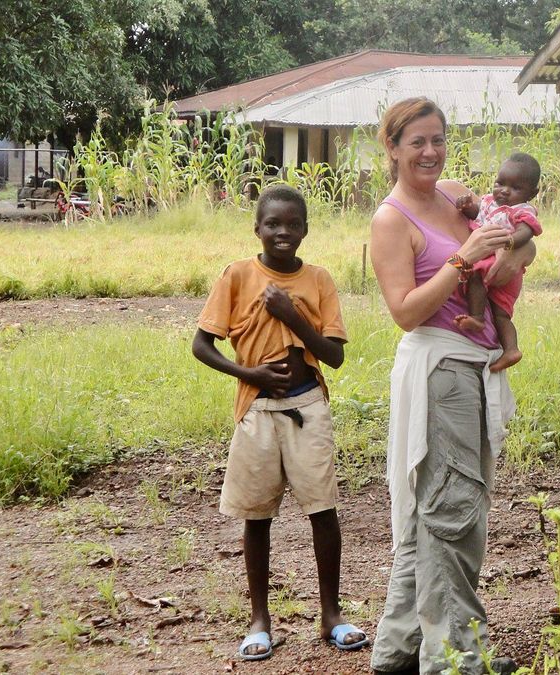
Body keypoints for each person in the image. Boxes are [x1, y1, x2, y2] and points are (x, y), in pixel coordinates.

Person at [369, 97, 530, 675]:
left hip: (473, 362)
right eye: (417, 142)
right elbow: (406, 312)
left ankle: (398, 649)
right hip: (441, 370)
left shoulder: (456, 194)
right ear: (391, 147)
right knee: (452, 510)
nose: (431, 152)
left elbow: (511, 242)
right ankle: (456, 658)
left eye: (437, 139)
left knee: (427, 512)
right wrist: (462, 260)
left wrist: (511, 249)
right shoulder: (391, 220)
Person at [190, 184, 366, 661]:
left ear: (305, 230)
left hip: (308, 406)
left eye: (292, 224)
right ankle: (260, 620)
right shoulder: (237, 275)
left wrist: (292, 315)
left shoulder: (319, 280)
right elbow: (202, 346)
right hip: (258, 410)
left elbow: (333, 356)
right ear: (257, 229)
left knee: (322, 510)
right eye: (273, 224)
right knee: (257, 516)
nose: (283, 232)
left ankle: (331, 614)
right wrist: (249, 373)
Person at [454, 152, 544, 372]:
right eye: (500, 183)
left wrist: (510, 243)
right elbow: (477, 215)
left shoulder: (522, 210)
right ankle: (511, 350)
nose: (504, 190)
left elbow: (527, 232)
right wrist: (466, 207)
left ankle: (479, 320)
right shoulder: (487, 202)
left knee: (475, 278)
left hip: (501, 264)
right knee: (499, 312)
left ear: (532, 193)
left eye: (515, 188)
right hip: (491, 259)